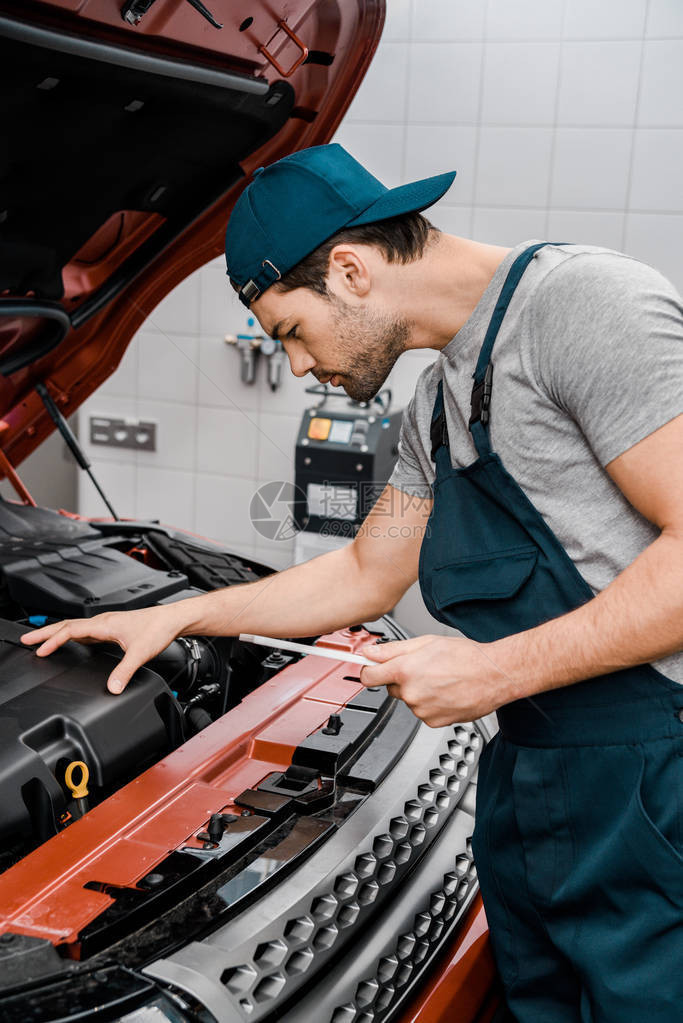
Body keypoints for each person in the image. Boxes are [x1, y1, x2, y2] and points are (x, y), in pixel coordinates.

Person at [22, 145, 683, 1020]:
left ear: (350, 269)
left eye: (292, 331)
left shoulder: (580, 307)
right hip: (534, 773)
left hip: (651, 781)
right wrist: (178, 615)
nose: (297, 367)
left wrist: (492, 672)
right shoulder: (438, 404)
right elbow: (364, 573)